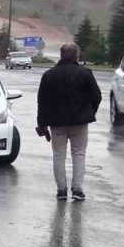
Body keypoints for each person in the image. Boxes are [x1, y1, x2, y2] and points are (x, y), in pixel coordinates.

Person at [36, 42, 102, 202]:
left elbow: (42, 102)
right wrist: (89, 112)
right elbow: (97, 96)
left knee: (59, 156)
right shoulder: (85, 73)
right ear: (76, 56)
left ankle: (61, 190)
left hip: (57, 123)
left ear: (61, 55)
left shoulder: (49, 75)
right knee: (79, 154)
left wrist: (42, 124)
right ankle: (77, 189)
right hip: (80, 122)